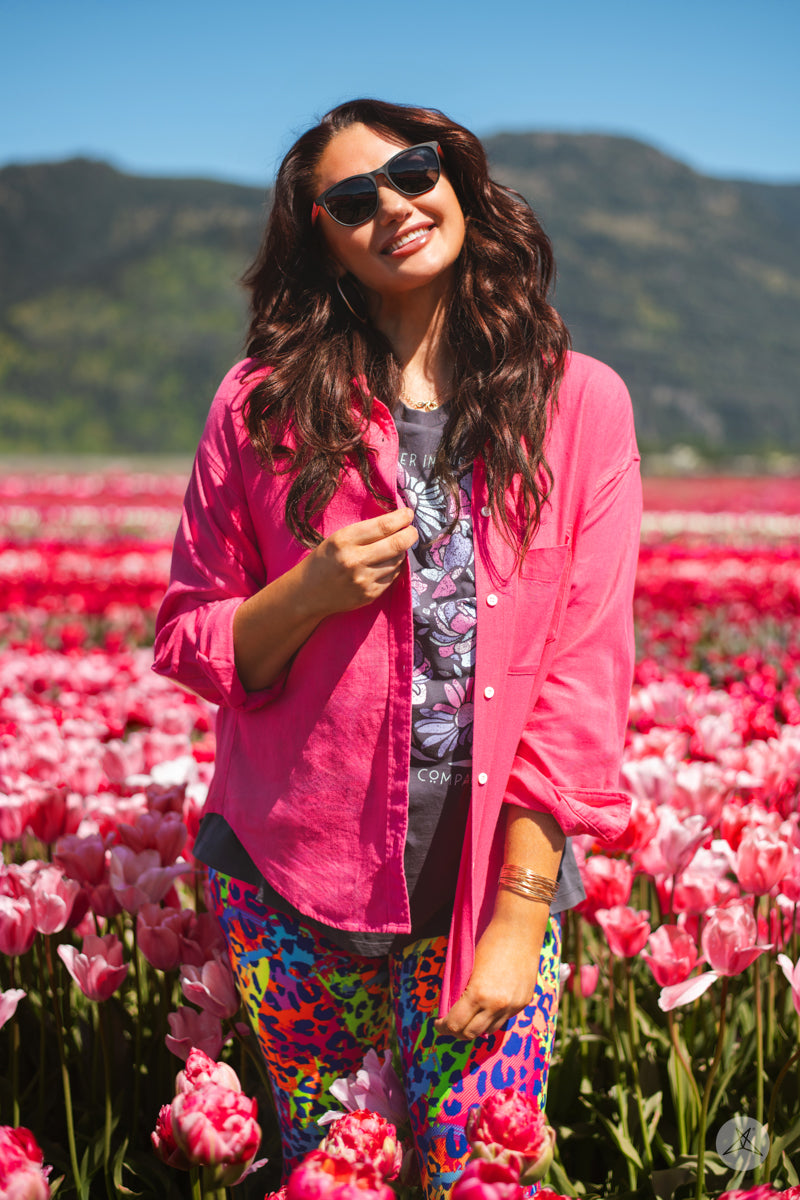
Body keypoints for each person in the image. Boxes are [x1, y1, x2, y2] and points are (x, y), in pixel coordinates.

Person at [153, 98, 641, 1198]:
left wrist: (519, 919)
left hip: (483, 893)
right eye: (352, 199)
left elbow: (582, 673)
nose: (393, 206)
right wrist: (309, 593)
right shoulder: (260, 407)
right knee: (330, 1176)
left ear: (456, 179)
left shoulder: (575, 406)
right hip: (289, 881)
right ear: (319, 235)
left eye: (412, 170)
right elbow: (190, 635)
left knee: (482, 1171)